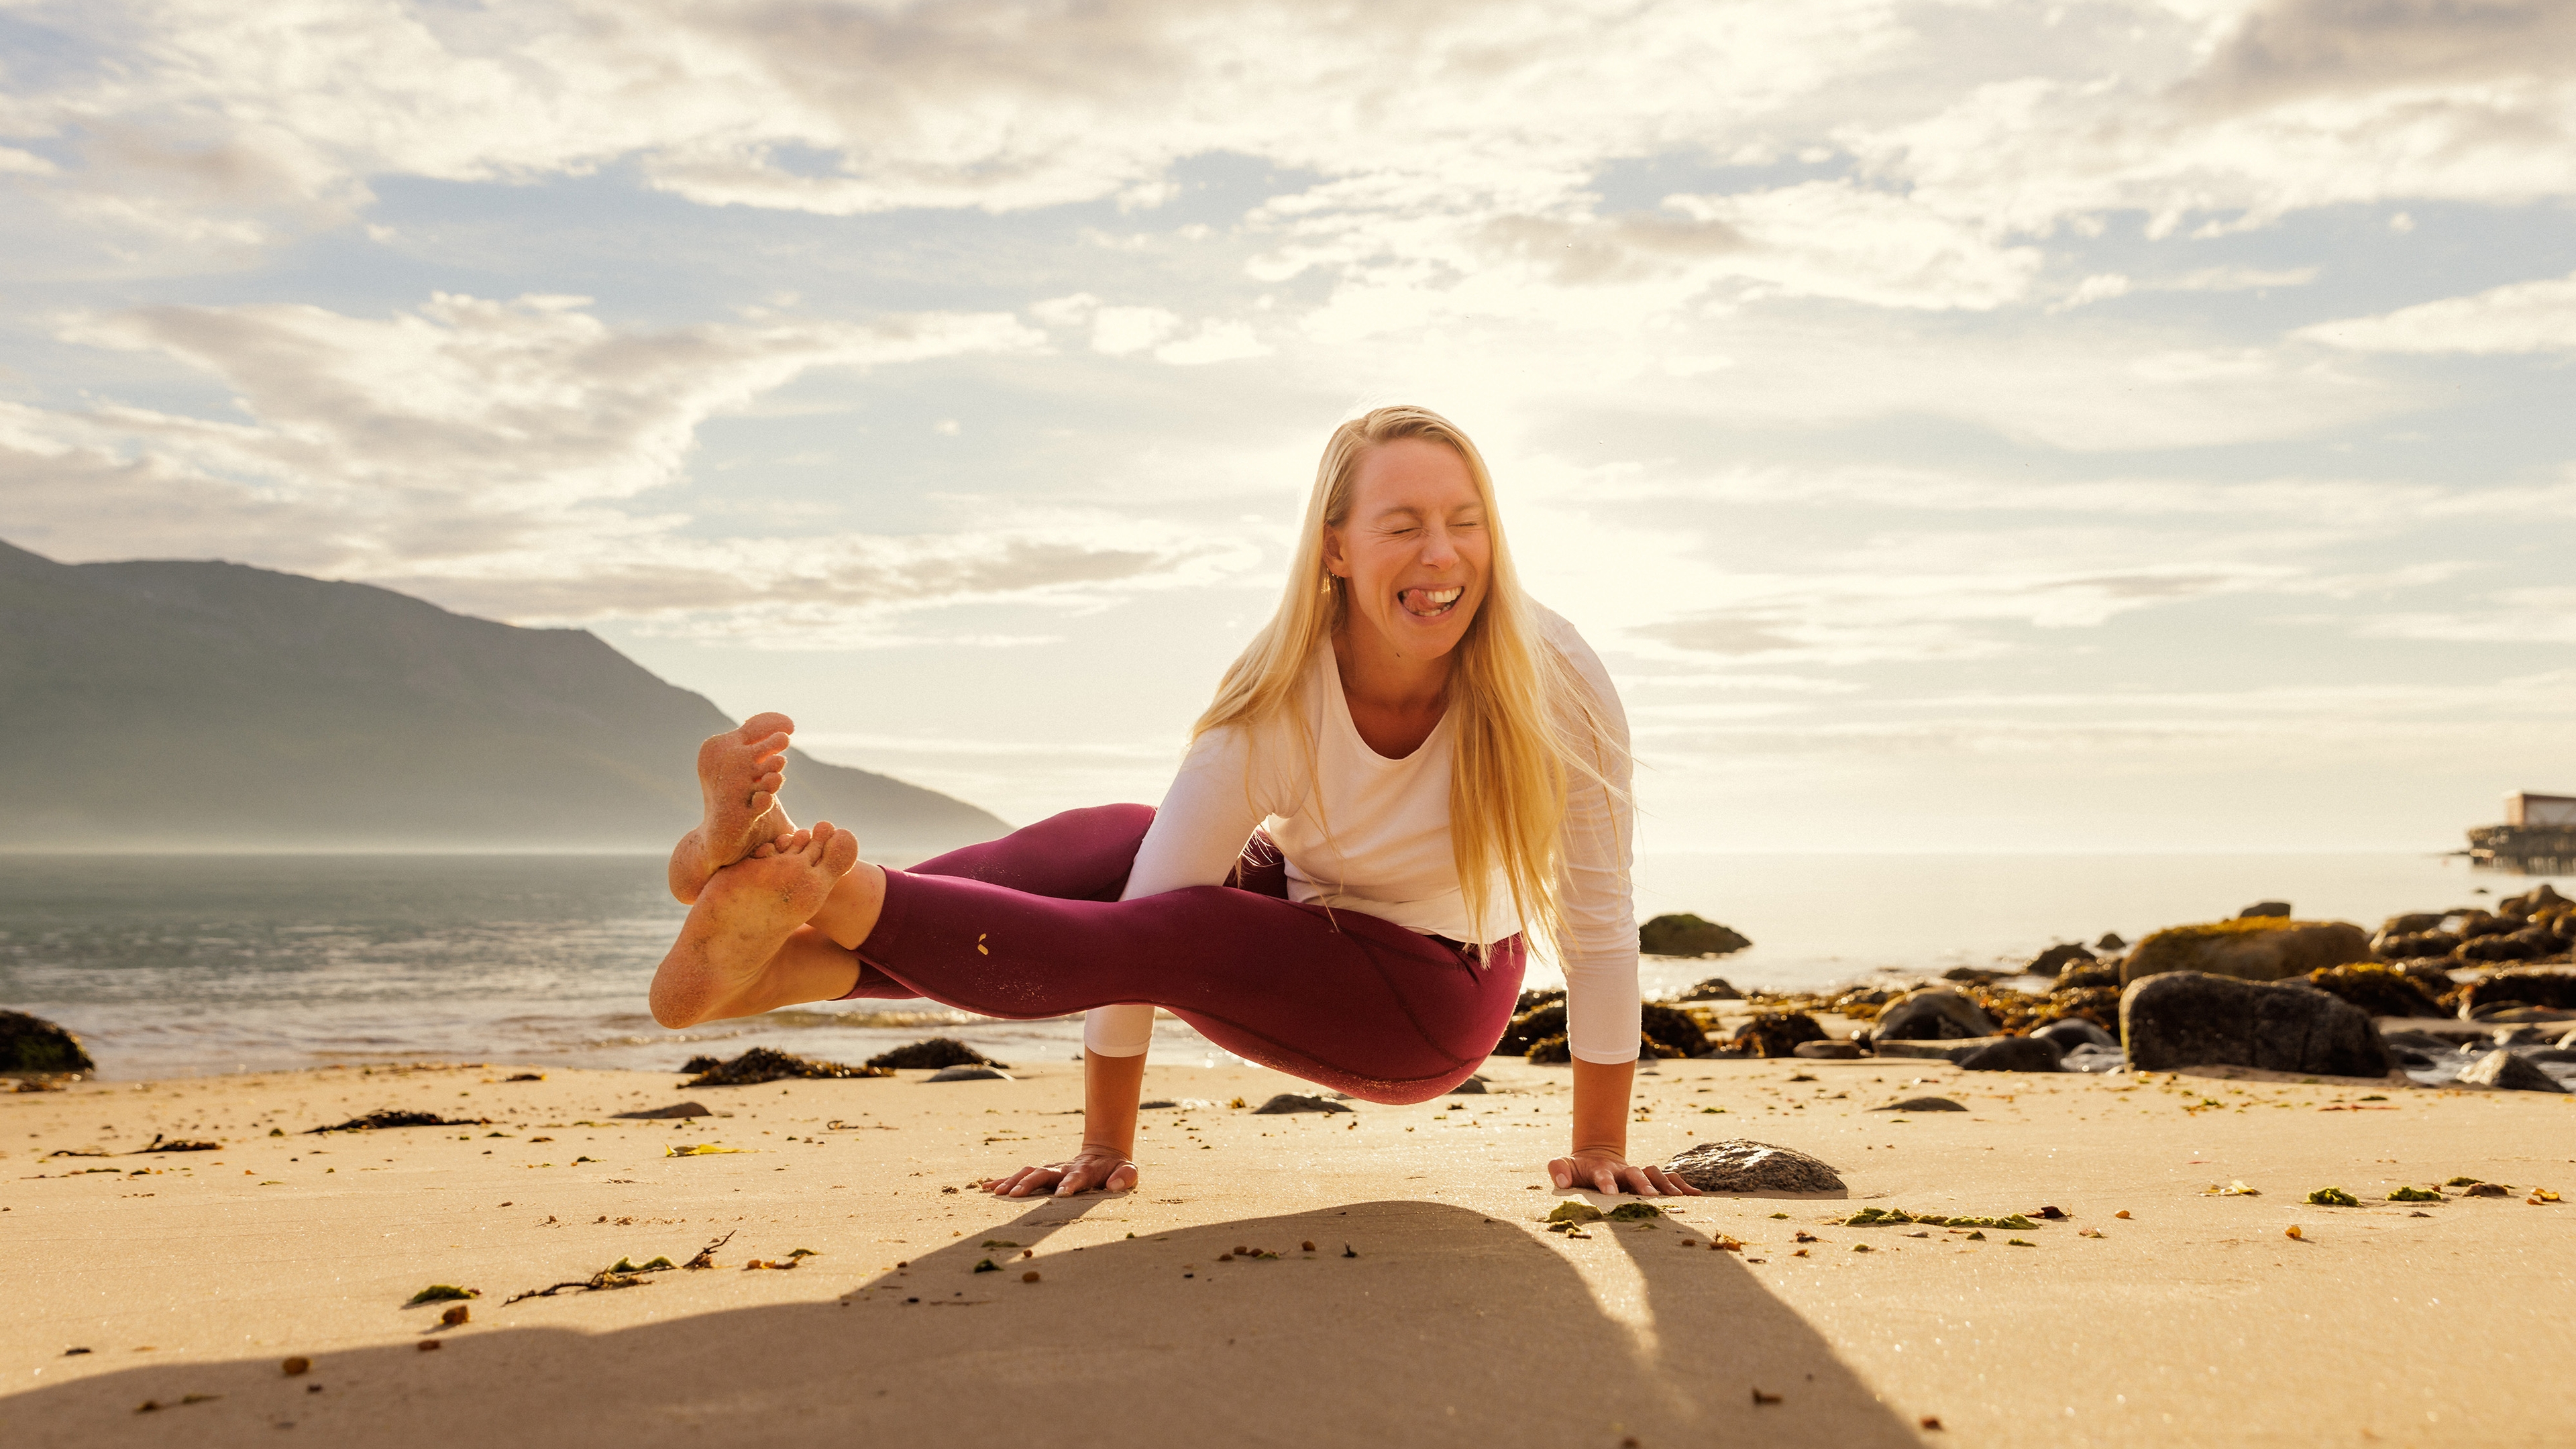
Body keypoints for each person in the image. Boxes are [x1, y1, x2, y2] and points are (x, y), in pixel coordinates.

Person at [648, 405, 1695, 1200]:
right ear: (1335, 549)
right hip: (1296, 908)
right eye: (1404, 525)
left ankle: (817, 894)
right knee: (1117, 840)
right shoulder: (1279, 695)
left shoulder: (1552, 677)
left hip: (1428, 995)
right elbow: (1149, 895)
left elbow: (1599, 926)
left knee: (1177, 929)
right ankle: (773, 931)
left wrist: (1601, 1149)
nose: (1441, 555)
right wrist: (1107, 1144)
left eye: (1467, 524)